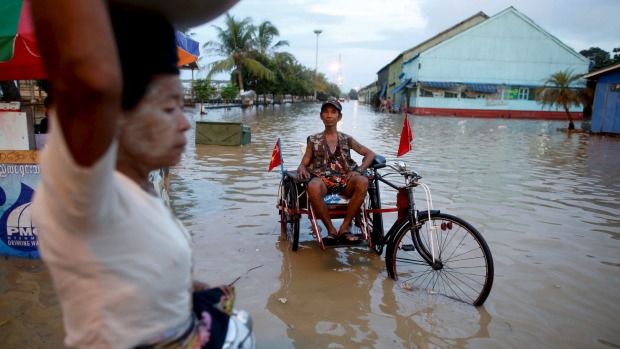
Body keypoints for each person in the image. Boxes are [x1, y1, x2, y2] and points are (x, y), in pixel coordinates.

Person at [30, 2, 252, 348]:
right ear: (111, 117)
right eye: (168, 108)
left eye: (183, 107)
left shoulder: (140, 186)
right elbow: (90, 81)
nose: (184, 124)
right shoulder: (85, 192)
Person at [297, 99, 376, 245]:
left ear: (339, 117)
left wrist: (359, 170)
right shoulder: (313, 139)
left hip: (345, 179)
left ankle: (344, 227)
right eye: (326, 112)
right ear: (321, 116)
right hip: (323, 180)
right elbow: (305, 161)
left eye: (333, 112)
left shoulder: (347, 139)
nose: (329, 115)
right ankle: (331, 230)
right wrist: (301, 167)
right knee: (313, 186)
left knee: (363, 181)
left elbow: (370, 154)